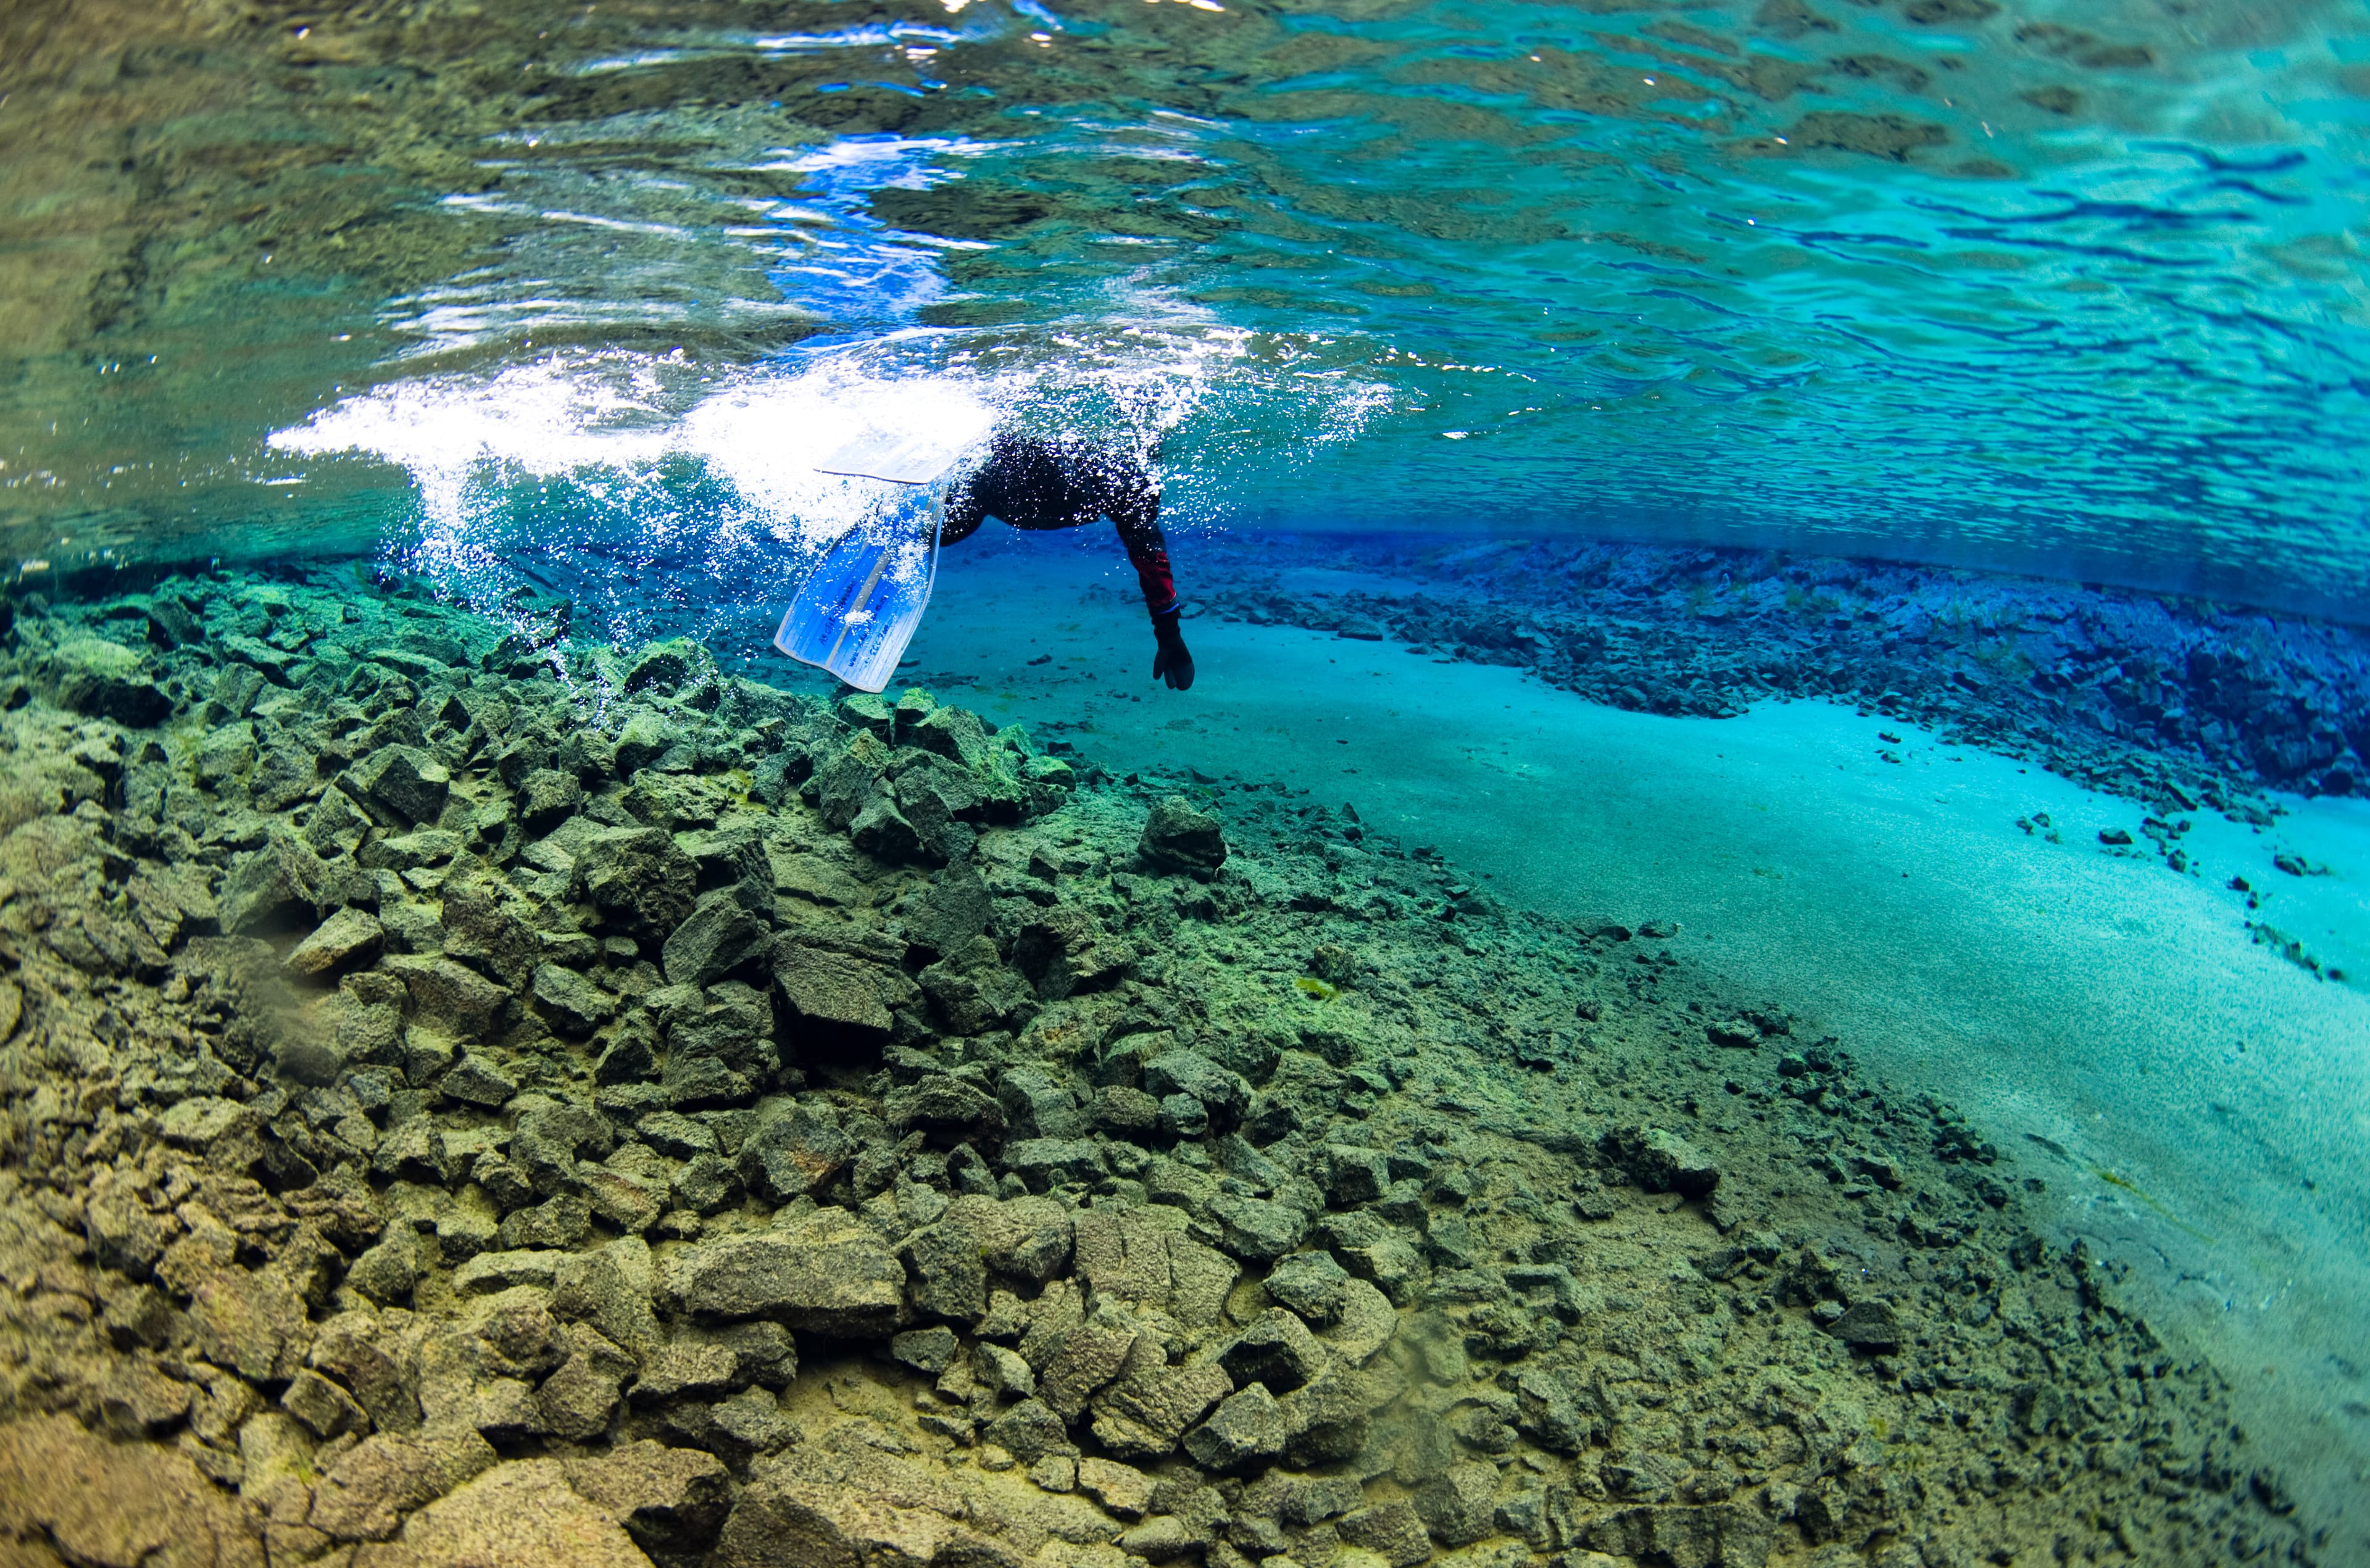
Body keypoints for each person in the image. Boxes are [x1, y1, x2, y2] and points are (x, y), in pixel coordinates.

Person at [939, 431, 1194, 691]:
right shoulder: (1131, 482)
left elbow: (1151, 560)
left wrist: (1169, 634)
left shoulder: (1125, 479)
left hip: (1008, 490)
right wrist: (1168, 633)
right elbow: (1151, 562)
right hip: (1017, 491)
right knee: (972, 496)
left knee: (970, 498)